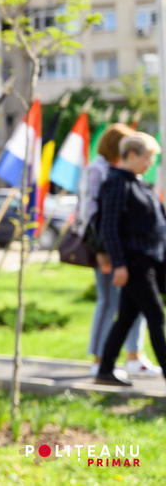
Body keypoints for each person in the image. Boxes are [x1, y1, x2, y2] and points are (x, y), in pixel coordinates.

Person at [75, 124, 159, 377]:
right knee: (109, 303)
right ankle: (99, 359)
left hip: (132, 252)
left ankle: (132, 356)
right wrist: (102, 253)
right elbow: (92, 215)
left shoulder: (130, 174)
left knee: (132, 308)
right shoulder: (100, 171)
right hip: (108, 250)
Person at [96, 132, 166, 386]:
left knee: (126, 317)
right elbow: (109, 228)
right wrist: (119, 263)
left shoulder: (138, 183)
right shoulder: (117, 183)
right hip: (134, 262)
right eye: (147, 158)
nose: (150, 164)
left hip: (149, 260)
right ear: (132, 155)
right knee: (156, 316)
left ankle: (105, 370)